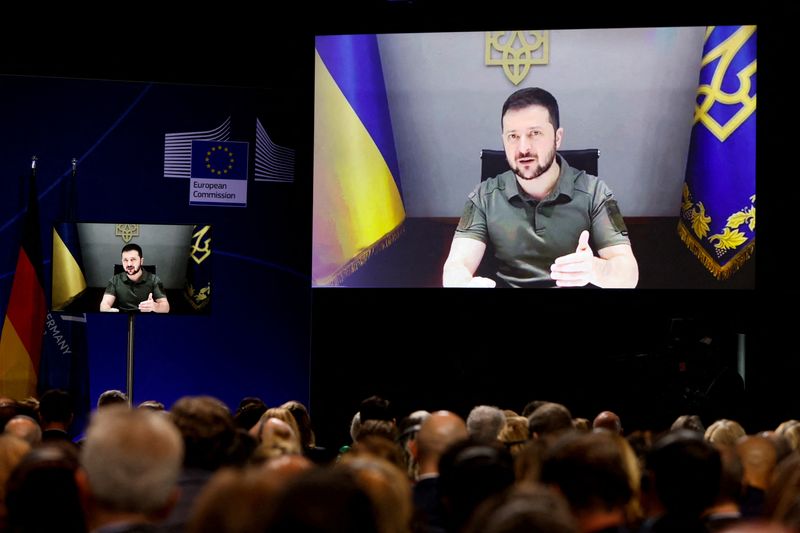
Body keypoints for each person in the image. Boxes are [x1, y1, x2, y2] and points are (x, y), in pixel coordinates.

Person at [443, 87, 638, 288]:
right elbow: (457, 265)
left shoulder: (596, 193)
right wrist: (461, 283)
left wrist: (596, 269)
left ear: (557, 137)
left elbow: (629, 275)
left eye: (535, 133)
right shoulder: (483, 196)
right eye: (513, 136)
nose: (523, 148)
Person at [100, 243, 170, 313]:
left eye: (133, 259)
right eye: (125, 260)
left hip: (146, 319)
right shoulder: (115, 280)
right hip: (123, 319)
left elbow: (166, 308)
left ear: (141, 261)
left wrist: (155, 307)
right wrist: (107, 310)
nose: (129, 264)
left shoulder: (154, 280)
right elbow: (104, 304)